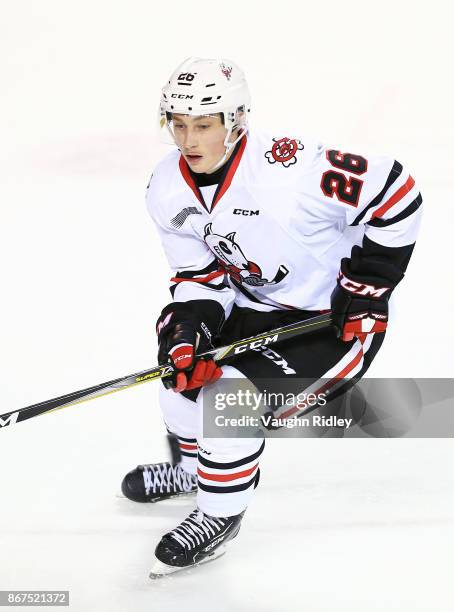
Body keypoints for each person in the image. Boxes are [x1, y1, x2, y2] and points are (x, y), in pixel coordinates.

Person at [121, 57, 422, 577]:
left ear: (235, 120)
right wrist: (188, 329)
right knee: (178, 382)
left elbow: (396, 192)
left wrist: (369, 285)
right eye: (178, 122)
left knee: (228, 402)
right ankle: (195, 472)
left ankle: (218, 515)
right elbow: (200, 277)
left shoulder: (292, 170)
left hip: (328, 323)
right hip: (252, 307)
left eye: (203, 124)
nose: (188, 139)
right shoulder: (167, 186)